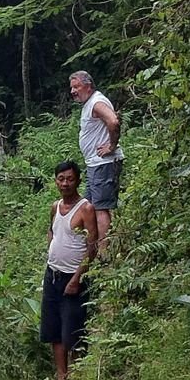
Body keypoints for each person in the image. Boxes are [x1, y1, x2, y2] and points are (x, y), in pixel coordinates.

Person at [41, 160, 98, 380]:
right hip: (52, 274)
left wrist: (77, 278)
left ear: (78, 180)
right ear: (55, 181)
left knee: (72, 331)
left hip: (73, 278)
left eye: (70, 179)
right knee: (53, 330)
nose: (65, 183)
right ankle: (61, 378)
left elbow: (92, 247)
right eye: (61, 179)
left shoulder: (86, 209)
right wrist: (51, 253)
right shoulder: (55, 207)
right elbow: (51, 231)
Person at [69, 70, 122, 253]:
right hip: (95, 164)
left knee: (100, 208)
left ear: (88, 85)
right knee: (89, 206)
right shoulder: (89, 103)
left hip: (103, 164)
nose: (73, 91)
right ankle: (91, 248)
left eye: (76, 86)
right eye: (72, 88)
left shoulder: (97, 102)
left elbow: (113, 121)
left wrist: (112, 146)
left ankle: (104, 252)